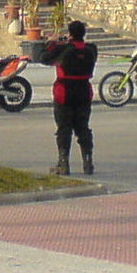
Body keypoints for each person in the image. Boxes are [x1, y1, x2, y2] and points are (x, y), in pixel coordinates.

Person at [40, 20, 97, 175]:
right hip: (84, 91)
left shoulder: (63, 49)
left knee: (64, 128)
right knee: (83, 127)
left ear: (70, 33)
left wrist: (51, 43)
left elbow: (44, 58)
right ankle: (88, 162)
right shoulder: (91, 49)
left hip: (64, 92)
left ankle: (63, 163)